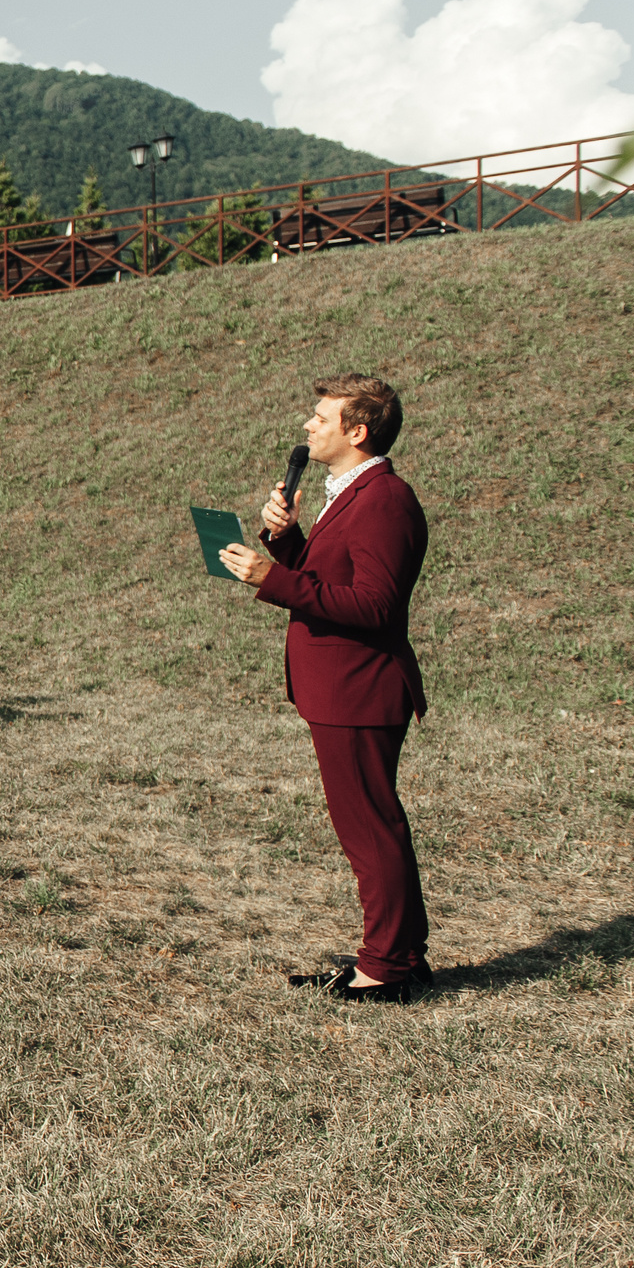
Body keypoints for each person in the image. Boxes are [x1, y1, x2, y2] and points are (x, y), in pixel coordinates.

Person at [219, 375, 433, 1002]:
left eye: (321, 417)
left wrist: (272, 579)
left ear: (357, 431)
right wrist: (285, 543)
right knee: (369, 824)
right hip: (338, 686)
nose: (309, 426)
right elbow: (330, 574)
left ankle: (387, 966)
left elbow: (375, 606)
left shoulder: (385, 499)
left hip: (360, 687)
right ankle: (400, 952)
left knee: (370, 827)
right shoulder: (351, 492)